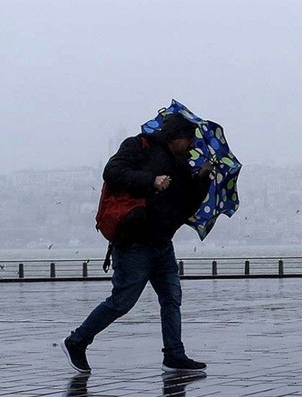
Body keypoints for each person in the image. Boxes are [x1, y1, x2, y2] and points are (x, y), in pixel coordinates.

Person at [61, 113, 212, 373]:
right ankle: (77, 341)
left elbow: (187, 206)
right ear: (174, 138)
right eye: (189, 139)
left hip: (162, 244)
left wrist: (202, 179)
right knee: (122, 301)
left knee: (171, 298)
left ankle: (174, 355)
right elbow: (112, 172)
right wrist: (151, 181)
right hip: (134, 243)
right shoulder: (138, 146)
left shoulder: (182, 165)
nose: (191, 145)